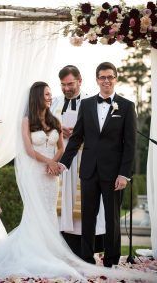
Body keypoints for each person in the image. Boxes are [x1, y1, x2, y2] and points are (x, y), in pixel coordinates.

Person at [0, 81, 155, 283]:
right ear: (36, 97)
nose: (50, 97)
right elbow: (28, 150)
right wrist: (51, 162)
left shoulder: (54, 118)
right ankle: (34, 251)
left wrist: (57, 163)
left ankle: (52, 253)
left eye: (50, 94)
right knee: (36, 213)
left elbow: (62, 146)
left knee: (51, 213)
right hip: (37, 171)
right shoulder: (27, 121)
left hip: (51, 175)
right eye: (47, 95)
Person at [60, 62, 137, 267]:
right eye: (102, 77)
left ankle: (111, 261)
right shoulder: (86, 105)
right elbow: (76, 138)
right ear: (97, 80)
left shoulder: (127, 106)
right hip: (89, 170)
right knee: (88, 218)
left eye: (110, 77)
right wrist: (64, 163)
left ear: (115, 79)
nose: (106, 81)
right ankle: (86, 258)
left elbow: (130, 145)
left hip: (113, 174)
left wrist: (124, 174)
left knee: (112, 219)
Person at [51, 65, 105, 257]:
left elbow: (103, 130)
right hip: (60, 159)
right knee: (61, 200)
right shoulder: (54, 103)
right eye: (63, 85)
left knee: (83, 202)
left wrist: (80, 133)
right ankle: (60, 245)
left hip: (84, 159)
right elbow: (41, 126)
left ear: (80, 81)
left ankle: (85, 247)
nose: (66, 88)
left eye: (70, 84)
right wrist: (58, 130)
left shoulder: (92, 102)